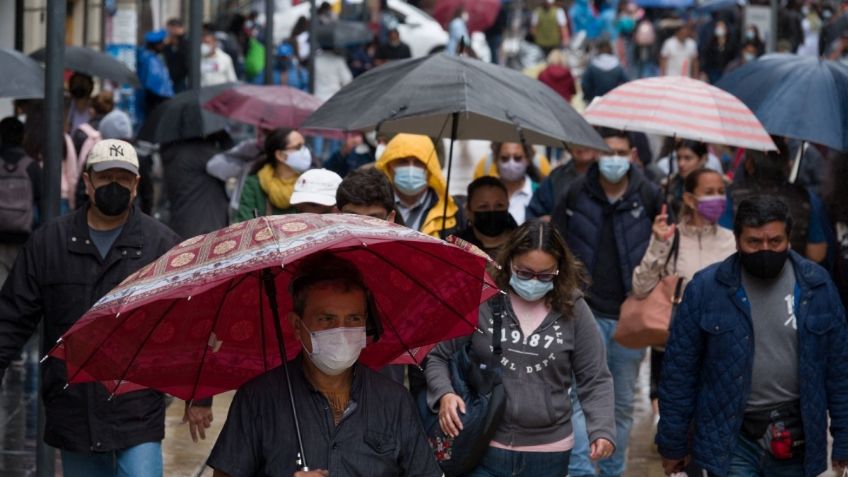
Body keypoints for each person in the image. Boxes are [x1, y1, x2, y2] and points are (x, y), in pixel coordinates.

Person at [0, 139, 212, 477]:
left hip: (136, 406)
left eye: (123, 178)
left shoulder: (162, 246)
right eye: (105, 177)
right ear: (87, 181)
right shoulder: (50, 242)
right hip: (73, 405)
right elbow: (12, 317)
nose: (115, 186)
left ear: (136, 184)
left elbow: (191, 324)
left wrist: (199, 393)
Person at [656, 196, 848, 477]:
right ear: (737, 241)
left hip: (796, 435)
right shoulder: (707, 289)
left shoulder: (816, 287)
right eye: (754, 242)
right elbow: (679, 372)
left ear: (788, 239)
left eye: (775, 241)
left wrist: (843, 439)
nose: (765, 250)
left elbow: (840, 369)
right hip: (731, 436)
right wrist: (673, 443)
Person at [207, 254, 443, 477]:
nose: (341, 331)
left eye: (353, 319)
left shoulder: (394, 401)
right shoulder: (257, 400)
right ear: (297, 326)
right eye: (326, 319)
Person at [426, 220, 616, 476]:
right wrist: (445, 394)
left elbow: (595, 377)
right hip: (482, 445)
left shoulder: (574, 309)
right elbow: (437, 355)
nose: (534, 282)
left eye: (545, 275)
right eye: (524, 273)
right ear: (510, 262)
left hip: (549, 453)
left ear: (559, 269)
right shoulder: (484, 298)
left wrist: (601, 429)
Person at [551, 127, 664, 477]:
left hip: (630, 316)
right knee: (576, 398)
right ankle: (582, 471)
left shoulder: (649, 195)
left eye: (620, 153)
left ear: (632, 156)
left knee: (621, 403)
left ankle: (613, 471)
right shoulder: (575, 193)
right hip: (583, 310)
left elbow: (662, 252)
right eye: (607, 152)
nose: (613, 160)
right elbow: (557, 244)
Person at [631, 169, 736, 431]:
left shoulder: (732, 241)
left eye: (720, 192)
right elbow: (641, 287)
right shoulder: (670, 237)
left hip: (720, 348)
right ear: (689, 199)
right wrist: (658, 243)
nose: (717, 199)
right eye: (708, 192)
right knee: (677, 425)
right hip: (676, 347)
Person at [721, 150, 828, 264]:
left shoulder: (732, 195)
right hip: (792, 271)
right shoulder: (805, 197)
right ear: (787, 163)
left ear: (749, 164)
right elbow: (817, 253)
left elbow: (724, 244)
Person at [375, 133, 461, 238]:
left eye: (419, 162)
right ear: (388, 165)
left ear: (431, 168)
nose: (411, 169)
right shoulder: (374, 205)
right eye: (402, 161)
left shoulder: (452, 211)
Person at [161, 132, 232, 239]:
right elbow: (230, 167)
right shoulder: (200, 152)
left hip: (181, 224)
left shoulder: (173, 152)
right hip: (205, 227)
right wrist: (226, 142)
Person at [236, 128, 311, 222]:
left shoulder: (308, 183)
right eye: (298, 147)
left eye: (304, 146)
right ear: (280, 155)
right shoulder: (254, 184)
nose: (305, 151)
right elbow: (244, 223)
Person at [0, 117, 41, 287]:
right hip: (23, 235)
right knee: (19, 284)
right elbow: (41, 200)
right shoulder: (31, 166)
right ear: (23, 137)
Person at [527, 145, 598, 221]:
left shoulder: (605, 176)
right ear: (567, 146)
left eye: (588, 140)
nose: (582, 146)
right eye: (577, 142)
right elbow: (534, 215)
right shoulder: (556, 177)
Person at [455, 176, 518, 258]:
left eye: (499, 205)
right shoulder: (453, 249)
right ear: (468, 210)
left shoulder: (525, 244)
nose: (492, 211)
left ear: (507, 205)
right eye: (483, 206)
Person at [581, 40, 629, 104]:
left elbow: (585, 84)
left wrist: (589, 97)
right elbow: (626, 83)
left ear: (598, 50)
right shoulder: (618, 66)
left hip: (596, 100)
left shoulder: (592, 67)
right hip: (613, 100)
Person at [700, 19, 737, 84]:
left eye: (721, 27)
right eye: (718, 27)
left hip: (727, 70)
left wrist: (723, 44)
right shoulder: (711, 42)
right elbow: (707, 55)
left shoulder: (731, 42)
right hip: (713, 70)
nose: (719, 29)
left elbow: (732, 55)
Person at [163, 18, 189, 93]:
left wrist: (180, 36)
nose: (168, 32)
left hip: (183, 80)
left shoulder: (185, 42)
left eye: (170, 29)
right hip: (172, 80)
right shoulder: (168, 45)